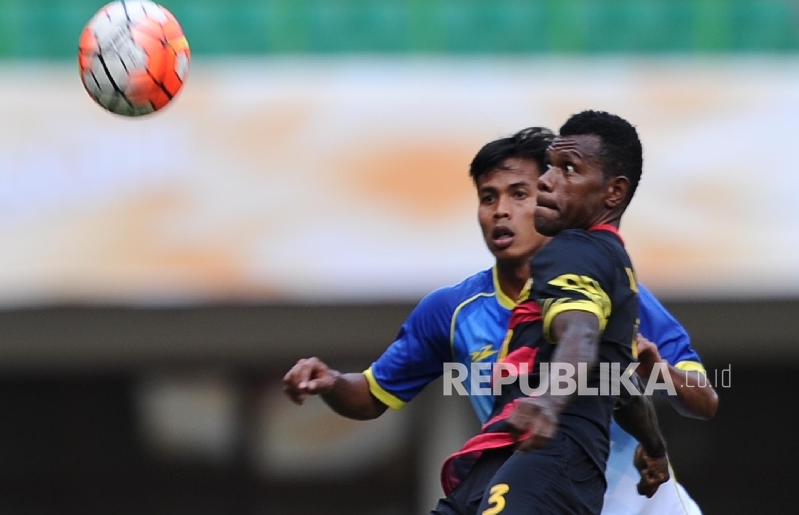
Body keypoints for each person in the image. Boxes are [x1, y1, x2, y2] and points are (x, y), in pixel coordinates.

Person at [283, 123, 717, 514]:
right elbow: (373, 396)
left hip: (631, 501)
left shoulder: (617, 290)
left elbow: (702, 401)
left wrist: (656, 372)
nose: (500, 211)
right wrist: (332, 382)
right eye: (488, 197)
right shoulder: (452, 310)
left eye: (519, 194)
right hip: (522, 487)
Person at [463, 110, 670, 514]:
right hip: (508, 461)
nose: (545, 180)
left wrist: (548, 401)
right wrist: (655, 446)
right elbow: (618, 385)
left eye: (568, 169)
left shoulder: (573, 251)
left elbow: (580, 335)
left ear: (613, 193)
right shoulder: (608, 265)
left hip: (550, 459)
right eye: (551, 167)